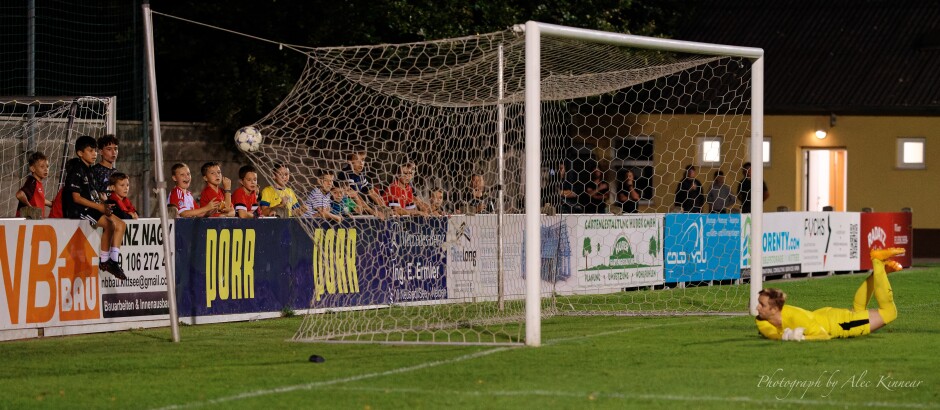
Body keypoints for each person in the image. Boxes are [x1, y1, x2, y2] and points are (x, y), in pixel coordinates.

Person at [755, 248, 904, 341]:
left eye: (762, 304)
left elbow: (823, 335)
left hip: (843, 325)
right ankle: (879, 274)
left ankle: (878, 263)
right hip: (828, 316)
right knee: (858, 311)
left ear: (774, 309)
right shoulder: (762, 320)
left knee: (889, 313)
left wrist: (801, 338)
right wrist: (784, 337)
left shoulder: (795, 317)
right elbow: (770, 333)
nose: (757, 307)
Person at [62, 135, 127, 280]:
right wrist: (99, 207)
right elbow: (76, 198)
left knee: (120, 224)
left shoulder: (89, 170)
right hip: (79, 211)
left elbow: (93, 195)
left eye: (95, 151)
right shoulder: (77, 170)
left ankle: (112, 261)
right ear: (80, 153)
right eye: (90, 151)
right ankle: (104, 261)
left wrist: (103, 205)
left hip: (91, 207)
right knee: (108, 224)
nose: (94, 154)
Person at [337, 151, 385, 216]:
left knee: (360, 209)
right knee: (359, 209)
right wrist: (373, 212)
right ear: (349, 161)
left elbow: (372, 193)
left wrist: (385, 207)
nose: (361, 163)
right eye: (357, 160)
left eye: (362, 160)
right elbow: (355, 196)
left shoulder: (360, 175)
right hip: (340, 206)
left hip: (351, 206)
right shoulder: (346, 174)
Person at [15, 151, 52, 219]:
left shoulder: (37, 183)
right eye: (42, 166)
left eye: (47, 166)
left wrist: (50, 204)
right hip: (27, 222)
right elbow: (19, 195)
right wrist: (31, 208)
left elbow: (38, 199)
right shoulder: (32, 182)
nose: (46, 169)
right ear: (33, 169)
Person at [90, 134, 119, 199]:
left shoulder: (116, 172)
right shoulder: (94, 171)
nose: (113, 152)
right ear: (101, 152)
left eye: (115, 149)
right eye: (109, 149)